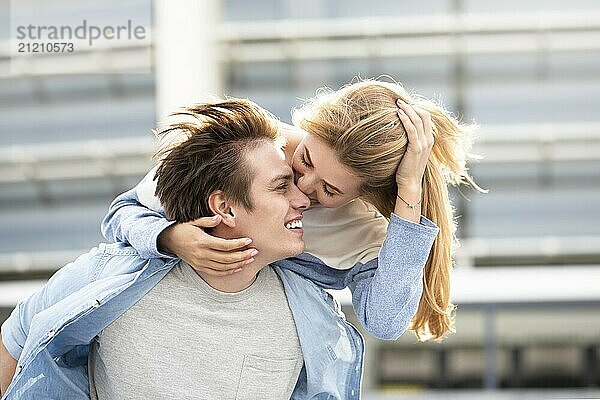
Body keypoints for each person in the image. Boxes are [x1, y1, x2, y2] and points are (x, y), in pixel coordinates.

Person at [0, 99, 378, 399]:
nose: (303, 198)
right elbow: (14, 343)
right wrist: (167, 237)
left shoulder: (314, 316)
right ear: (224, 207)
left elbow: (386, 319)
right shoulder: (109, 279)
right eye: (282, 186)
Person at [102, 78, 481, 341]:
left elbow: (385, 321)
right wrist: (170, 237)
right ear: (307, 126)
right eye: (306, 159)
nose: (303, 188)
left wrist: (409, 190)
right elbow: (122, 211)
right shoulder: (247, 149)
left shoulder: (370, 232)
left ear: (363, 194)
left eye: (330, 189)